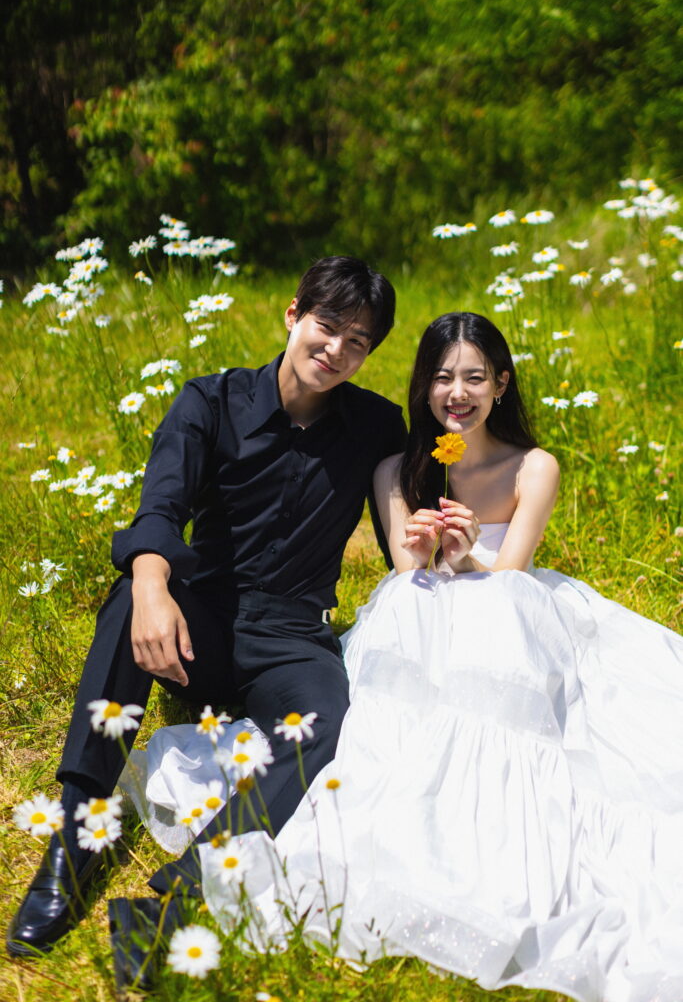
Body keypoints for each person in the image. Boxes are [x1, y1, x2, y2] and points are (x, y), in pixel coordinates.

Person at [134, 312, 683, 1002]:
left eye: (475, 378)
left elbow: (512, 574)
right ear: (423, 386)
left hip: (507, 610)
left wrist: (468, 553)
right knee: (393, 660)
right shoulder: (398, 468)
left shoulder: (533, 466)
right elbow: (403, 567)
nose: (457, 393)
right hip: (422, 609)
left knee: (507, 662)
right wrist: (426, 548)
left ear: (501, 384)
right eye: (442, 378)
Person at [6, 256, 407, 983]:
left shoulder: (377, 425)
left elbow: (403, 532)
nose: (336, 350)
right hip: (204, 631)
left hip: (293, 637)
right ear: (292, 314)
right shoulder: (210, 402)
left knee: (328, 719)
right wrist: (151, 579)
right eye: (326, 327)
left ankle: (179, 892)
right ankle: (76, 839)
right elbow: (159, 507)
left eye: (357, 342)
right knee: (130, 598)